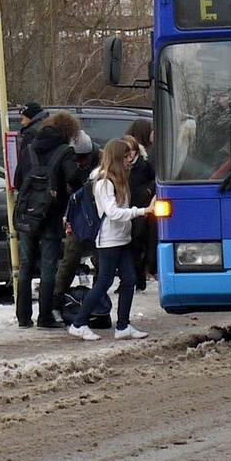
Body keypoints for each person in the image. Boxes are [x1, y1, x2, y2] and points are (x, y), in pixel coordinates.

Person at [68, 140, 155, 341]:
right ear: (117, 158)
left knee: (129, 279)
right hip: (108, 239)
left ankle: (123, 325)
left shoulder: (119, 180)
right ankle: (79, 323)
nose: (130, 160)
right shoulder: (104, 182)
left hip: (121, 237)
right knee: (104, 282)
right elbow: (113, 212)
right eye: (126, 157)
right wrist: (142, 211)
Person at [15, 111, 82, 329]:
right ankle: (45, 316)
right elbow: (74, 178)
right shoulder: (66, 152)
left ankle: (23, 317)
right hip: (52, 215)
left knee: (25, 266)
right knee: (48, 267)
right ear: (69, 131)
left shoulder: (29, 149)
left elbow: (17, 180)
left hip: (28, 213)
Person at [54, 130, 100, 299]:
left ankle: (97, 298)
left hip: (97, 216)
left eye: (83, 159)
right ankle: (58, 297)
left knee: (100, 260)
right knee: (71, 258)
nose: (80, 163)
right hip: (76, 215)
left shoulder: (100, 162)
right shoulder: (66, 162)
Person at [122, 134, 156, 290]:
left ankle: (139, 279)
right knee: (126, 245)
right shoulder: (121, 167)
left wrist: (148, 190)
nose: (130, 155)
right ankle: (128, 280)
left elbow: (154, 180)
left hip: (141, 208)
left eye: (132, 151)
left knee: (137, 243)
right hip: (125, 207)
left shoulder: (144, 165)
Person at [12, 101, 49, 189]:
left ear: (30, 117)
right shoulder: (48, 127)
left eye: (23, 118)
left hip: (33, 184)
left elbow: (26, 163)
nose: (22, 122)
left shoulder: (30, 134)